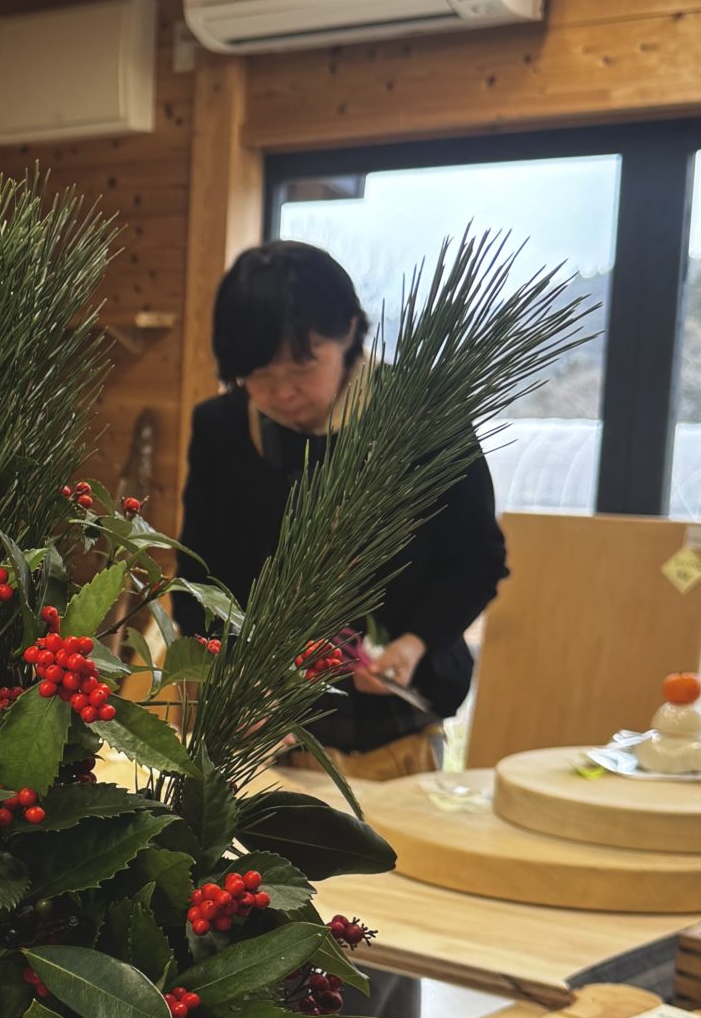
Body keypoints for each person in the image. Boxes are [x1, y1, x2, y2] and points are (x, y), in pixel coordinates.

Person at [176, 239, 507, 781]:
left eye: (302, 367)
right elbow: (199, 573)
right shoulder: (222, 427)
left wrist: (414, 641)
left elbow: (478, 560)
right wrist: (235, 670)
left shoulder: (424, 415)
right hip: (263, 727)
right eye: (258, 375)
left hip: (394, 722)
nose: (281, 393)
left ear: (350, 330)